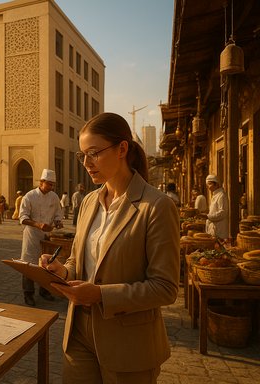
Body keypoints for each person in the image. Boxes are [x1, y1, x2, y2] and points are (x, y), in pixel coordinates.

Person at [40, 112, 179, 383]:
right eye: (82, 156)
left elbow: (165, 287)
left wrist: (101, 295)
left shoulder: (156, 206)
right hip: (79, 333)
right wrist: (63, 271)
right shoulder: (89, 202)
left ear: (122, 149)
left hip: (129, 343)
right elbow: (78, 262)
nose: (87, 164)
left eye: (94, 153)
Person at [19, 169, 63, 306]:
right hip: (32, 236)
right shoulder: (29, 196)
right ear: (41, 182)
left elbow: (58, 213)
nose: (51, 187)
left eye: (52, 185)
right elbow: (23, 218)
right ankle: (28, 294)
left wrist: (57, 222)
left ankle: (44, 291)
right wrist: (38, 224)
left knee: (47, 265)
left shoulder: (54, 197)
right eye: (49, 184)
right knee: (29, 265)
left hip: (47, 236)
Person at [205, 174, 229, 240]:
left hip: (220, 229)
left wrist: (208, 216)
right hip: (213, 228)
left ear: (216, 184)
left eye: (210, 184)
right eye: (207, 185)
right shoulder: (215, 195)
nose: (208, 187)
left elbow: (223, 212)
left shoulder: (221, 195)